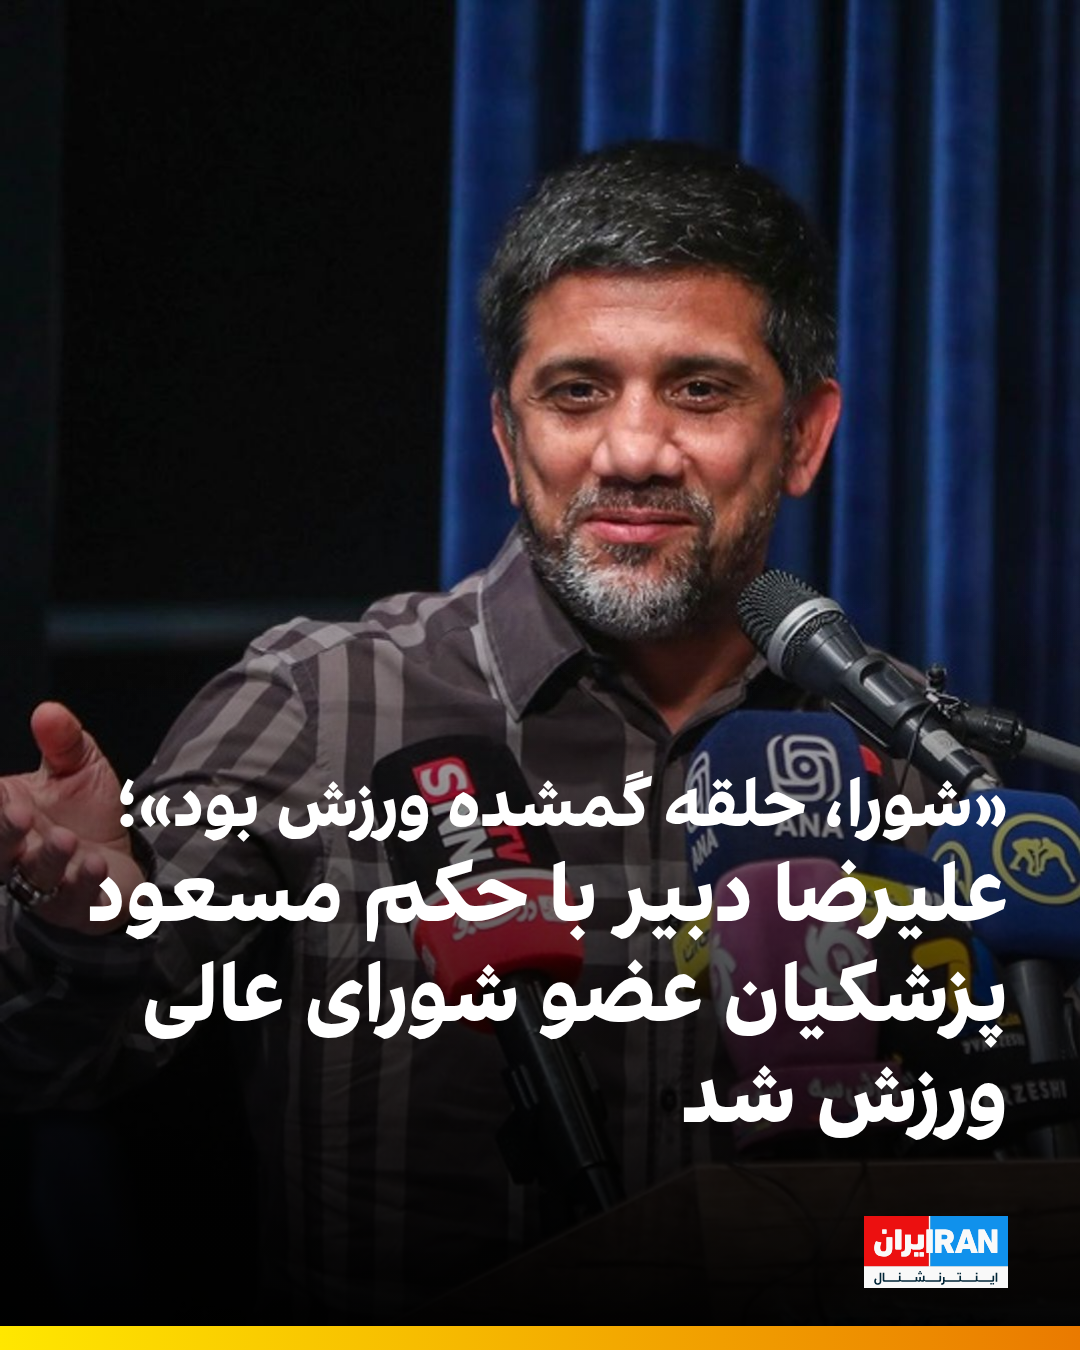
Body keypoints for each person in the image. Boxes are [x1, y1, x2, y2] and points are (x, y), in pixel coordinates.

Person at [0, 142, 932, 1318]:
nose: (631, 452)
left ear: (802, 436)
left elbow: (987, 1239)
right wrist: (77, 926)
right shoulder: (317, 705)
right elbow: (49, 1066)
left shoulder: (911, 754)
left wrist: (899, 1266)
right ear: (505, 438)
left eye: (699, 390)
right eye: (576, 392)